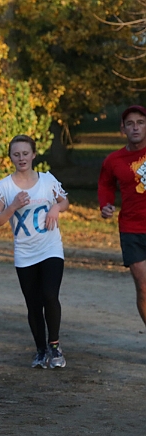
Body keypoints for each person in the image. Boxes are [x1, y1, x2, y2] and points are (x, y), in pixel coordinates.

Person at [0, 135, 69, 368]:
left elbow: (64, 201)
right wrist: (13, 206)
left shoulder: (47, 180)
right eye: (16, 154)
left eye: (25, 153)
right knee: (33, 303)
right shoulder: (4, 187)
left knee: (50, 295)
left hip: (50, 247)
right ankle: (40, 350)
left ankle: (54, 347)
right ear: (11, 157)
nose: (21, 158)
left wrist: (56, 207)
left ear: (34, 154)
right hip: (25, 252)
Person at [99, 105, 146, 327]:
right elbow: (105, 185)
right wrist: (105, 205)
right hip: (132, 229)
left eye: (140, 122)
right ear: (123, 129)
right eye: (130, 124)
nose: (135, 127)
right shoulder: (114, 160)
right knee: (143, 287)